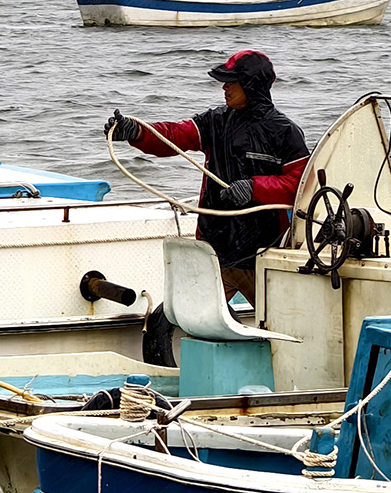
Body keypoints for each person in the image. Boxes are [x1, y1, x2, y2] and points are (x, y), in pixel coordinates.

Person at [107, 50, 308, 307]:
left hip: (263, 254)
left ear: (251, 85)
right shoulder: (216, 121)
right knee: (192, 319)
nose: (224, 87)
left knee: (280, 323)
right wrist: (136, 132)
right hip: (215, 249)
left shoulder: (285, 131)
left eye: (231, 81)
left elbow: (301, 185)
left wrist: (254, 188)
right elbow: (175, 136)